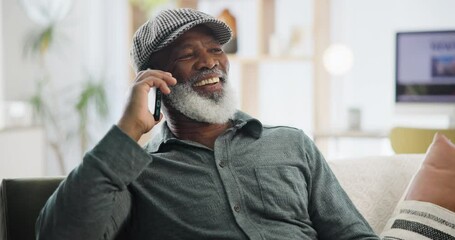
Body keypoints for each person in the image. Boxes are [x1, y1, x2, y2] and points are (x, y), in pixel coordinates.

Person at [35, 8, 454, 240]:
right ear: (155, 80)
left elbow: (351, 235)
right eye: (187, 54)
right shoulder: (136, 170)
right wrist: (126, 132)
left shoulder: (291, 144)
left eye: (217, 48)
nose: (210, 61)